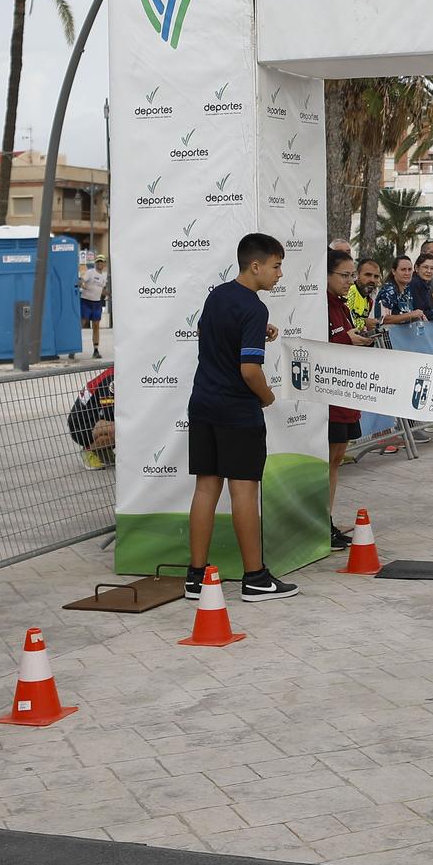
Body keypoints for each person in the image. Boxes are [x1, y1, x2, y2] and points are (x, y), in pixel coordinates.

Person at [185, 232, 294, 604]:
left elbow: (205, 331)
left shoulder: (218, 295)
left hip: (202, 405)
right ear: (256, 265)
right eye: (277, 266)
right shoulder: (255, 307)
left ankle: (195, 579)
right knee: (243, 491)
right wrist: (267, 397)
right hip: (236, 410)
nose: (280, 274)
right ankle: (255, 578)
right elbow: (250, 370)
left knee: (205, 489)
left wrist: (253, 330)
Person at [325, 249, 375, 550]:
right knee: (328, 460)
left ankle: (326, 520)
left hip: (346, 394)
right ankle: (322, 523)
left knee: (336, 459)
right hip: (329, 397)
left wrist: (356, 336)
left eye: (351, 275)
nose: (350, 281)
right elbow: (318, 343)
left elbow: (343, 335)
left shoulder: (341, 305)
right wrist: (347, 339)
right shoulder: (318, 304)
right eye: (344, 275)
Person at [65, 367, 116, 470]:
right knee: (120, 429)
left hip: (95, 420)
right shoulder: (111, 379)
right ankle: (88, 451)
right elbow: (109, 416)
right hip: (79, 426)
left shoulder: (119, 374)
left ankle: (102, 451)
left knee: (123, 428)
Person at [375, 256, 427, 327]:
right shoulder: (387, 291)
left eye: (410, 269)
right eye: (403, 270)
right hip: (389, 336)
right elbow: (382, 319)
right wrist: (411, 315)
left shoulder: (407, 290)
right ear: (393, 271)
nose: (407, 273)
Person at [78, 256, 108, 356]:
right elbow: (81, 280)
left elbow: (101, 290)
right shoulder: (90, 272)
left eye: (102, 261)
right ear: (95, 263)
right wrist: (82, 284)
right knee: (81, 323)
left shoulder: (104, 276)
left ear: (104, 264)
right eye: (98, 261)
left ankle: (96, 350)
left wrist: (109, 294)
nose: (100, 263)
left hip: (97, 303)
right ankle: (73, 347)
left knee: (96, 326)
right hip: (85, 301)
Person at [347, 256, 380, 335]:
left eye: (376, 276)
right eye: (368, 275)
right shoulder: (350, 291)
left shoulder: (369, 298)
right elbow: (345, 321)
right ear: (357, 275)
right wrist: (365, 323)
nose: (372, 280)